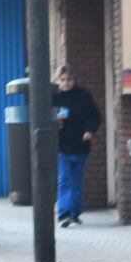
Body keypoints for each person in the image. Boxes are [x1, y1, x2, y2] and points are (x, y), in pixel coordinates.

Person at [52, 65, 101, 227]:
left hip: (81, 144)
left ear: (74, 80)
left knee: (76, 181)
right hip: (61, 145)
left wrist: (90, 131)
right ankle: (63, 213)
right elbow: (42, 119)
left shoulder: (83, 96)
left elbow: (95, 117)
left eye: (69, 80)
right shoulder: (53, 97)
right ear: (57, 80)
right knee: (64, 180)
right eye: (63, 80)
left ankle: (75, 213)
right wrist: (55, 120)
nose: (66, 83)